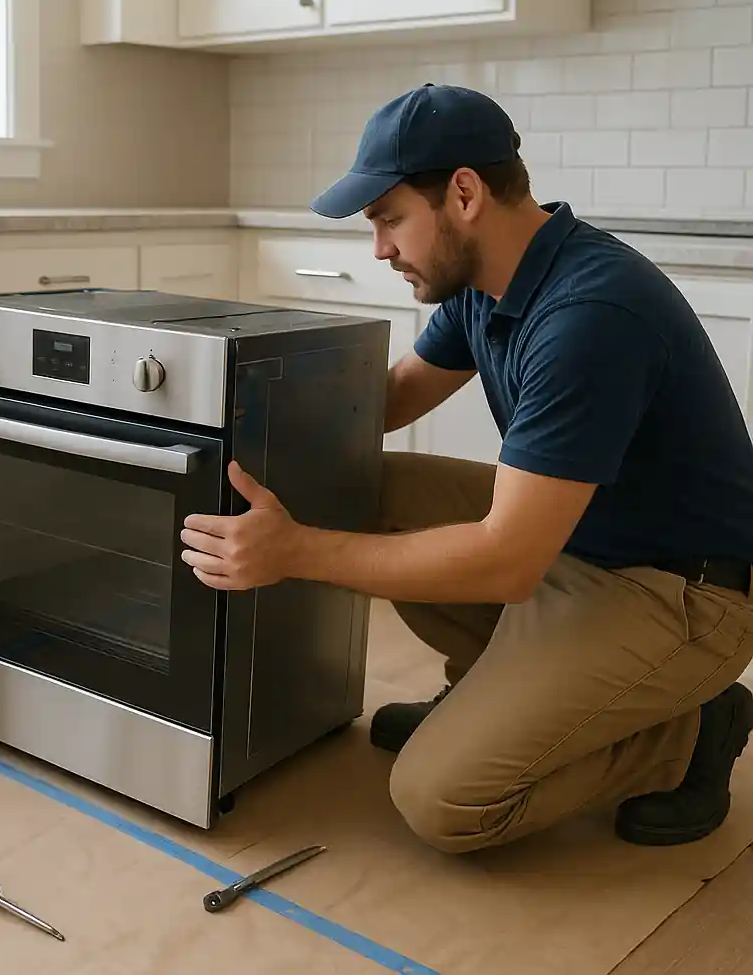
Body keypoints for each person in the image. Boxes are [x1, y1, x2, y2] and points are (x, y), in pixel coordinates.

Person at [179, 83, 753, 854]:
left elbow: (508, 562)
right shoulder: (488, 284)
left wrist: (296, 550)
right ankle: (489, 694)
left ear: (463, 193)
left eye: (388, 219)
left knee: (443, 800)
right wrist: (217, 415)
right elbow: (380, 406)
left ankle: (689, 733)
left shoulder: (590, 315)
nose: (379, 248)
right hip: (582, 541)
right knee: (371, 489)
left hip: (682, 590)